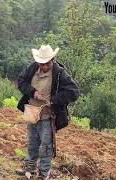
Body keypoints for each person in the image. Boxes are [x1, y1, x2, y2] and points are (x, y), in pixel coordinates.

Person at [16, 45, 80, 179]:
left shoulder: (59, 73)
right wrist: (33, 92)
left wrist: (54, 100)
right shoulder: (33, 67)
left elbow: (74, 92)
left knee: (45, 146)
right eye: (42, 64)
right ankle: (30, 168)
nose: (44, 67)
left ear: (53, 60)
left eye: (47, 64)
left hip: (47, 115)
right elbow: (21, 81)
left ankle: (43, 174)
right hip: (31, 111)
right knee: (32, 142)